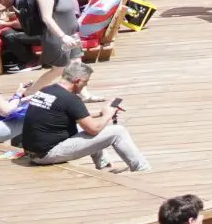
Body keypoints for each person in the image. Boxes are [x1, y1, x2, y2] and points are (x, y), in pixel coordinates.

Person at [16, 62, 150, 171]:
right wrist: (107, 116)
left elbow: (67, 114)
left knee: (85, 128)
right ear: (77, 80)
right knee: (117, 131)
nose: (86, 85)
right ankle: (142, 169)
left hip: (32, 152)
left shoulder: (47, 90)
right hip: (46, 154)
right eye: (86, 81)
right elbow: (94, 129)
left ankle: (105, 166)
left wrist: (100, 113)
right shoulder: (71, 98)